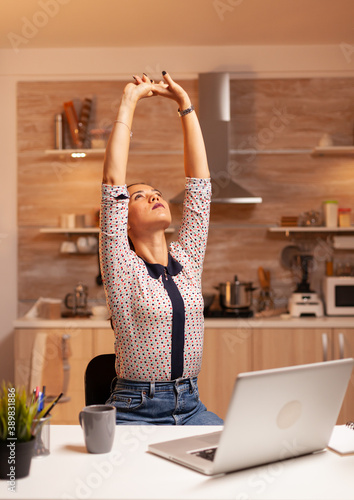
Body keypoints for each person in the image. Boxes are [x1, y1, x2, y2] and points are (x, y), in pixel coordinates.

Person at [100, 71, 223, 425]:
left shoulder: (186, 260)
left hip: (191, 406)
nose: (153, 195)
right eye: (139, 196)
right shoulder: (122, 267)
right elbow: (112, 183)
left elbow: (200, 187)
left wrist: (186, 106)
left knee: (236, 467)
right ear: (123, 216)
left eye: (155, 192)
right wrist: (129, 100)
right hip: (135, 409)